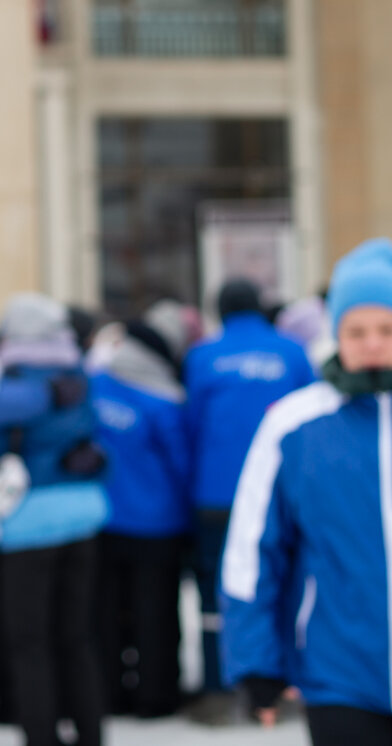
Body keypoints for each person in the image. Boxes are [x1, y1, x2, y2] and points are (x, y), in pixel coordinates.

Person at [221, 237, 392, 745]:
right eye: (355, 329)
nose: (372, 342)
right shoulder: (295, 424)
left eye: (386, 328)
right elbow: (253, 550)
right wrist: (257, 664)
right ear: (335, 332)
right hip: (341, 676)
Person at [0, 292, 109, 746]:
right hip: (84, 516)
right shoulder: (77, 373)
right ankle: (92, 735)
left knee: (28, 644)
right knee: (76, 638)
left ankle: (42, 736)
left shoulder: (5, 377)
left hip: (28, 524)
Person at [182, 277, 314, 711]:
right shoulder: (292, 352)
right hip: (284, 493)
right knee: (283, 583)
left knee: (216, 591)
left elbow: (192, 427)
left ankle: (220, 691)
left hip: (217, 494)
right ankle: (285, 684)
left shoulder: (202, 357)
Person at [90, 319, 191, 718]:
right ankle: (156, 695)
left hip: (105, 519)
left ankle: (110, 691)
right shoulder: (165, 401)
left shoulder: (96, 383)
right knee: (157, 614)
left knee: (106, 613)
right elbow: (181, 463)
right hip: (157, 523)